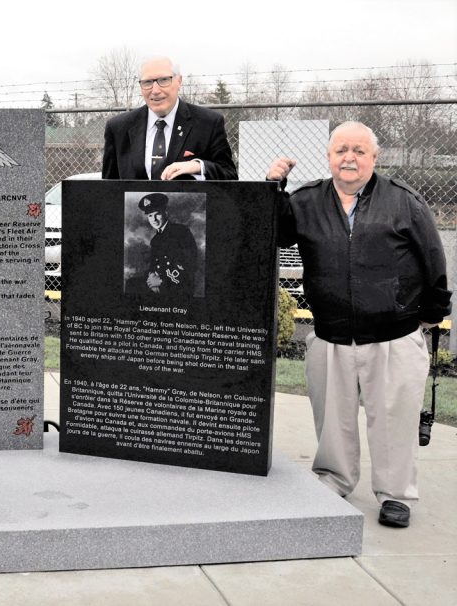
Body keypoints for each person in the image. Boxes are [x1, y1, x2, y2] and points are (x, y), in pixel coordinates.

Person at [267, 121, 450, 528]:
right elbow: (276, 236)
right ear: (329, 157)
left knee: (394, 421)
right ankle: (334, 479)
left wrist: (431, 314)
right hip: (331, 333)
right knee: (332, 419)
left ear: (374, 157)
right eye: (341, 150)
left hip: (394, 334)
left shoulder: (404, 201)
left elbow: (433, 261)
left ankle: (395, 494)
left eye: (359, 150)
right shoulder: (307, 200)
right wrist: (274, 187)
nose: (349, 157)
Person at [102, 57, 237, 181]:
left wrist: (198, 166)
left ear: (179, 81)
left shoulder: (208, 123)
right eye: (147, 82)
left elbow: (229, 175)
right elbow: (108, 189)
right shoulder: (118, 128)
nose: (155, 90)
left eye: (164, 80)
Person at [136, 193, 198, 297]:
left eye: (157, 214)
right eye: (150, 215)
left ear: (166, 213)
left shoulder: (181, 231)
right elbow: (154, 265)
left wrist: (161, 282)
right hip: (160, 284)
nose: (154, 219)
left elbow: (190, 263)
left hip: (178, 285)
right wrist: (151, 278)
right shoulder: (155, 240)